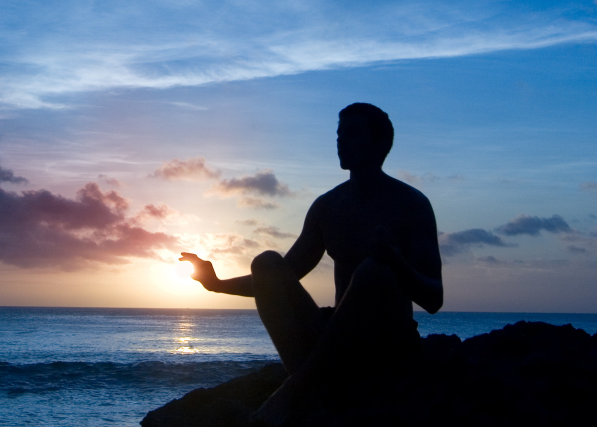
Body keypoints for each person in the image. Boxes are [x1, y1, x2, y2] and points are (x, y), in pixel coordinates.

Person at [179, 102, 443, 424]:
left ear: (381, 143)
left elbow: (433, 298)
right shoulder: (328, 206)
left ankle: (295, 391)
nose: (341, 140)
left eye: (353, 133)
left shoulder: (411, 204)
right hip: (333, 341)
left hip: (385, 343)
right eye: (339, 133)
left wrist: (396, 263)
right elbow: (279, 278)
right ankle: (309, 386)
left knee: (375, 271)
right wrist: (215, 284)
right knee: (267, 263)